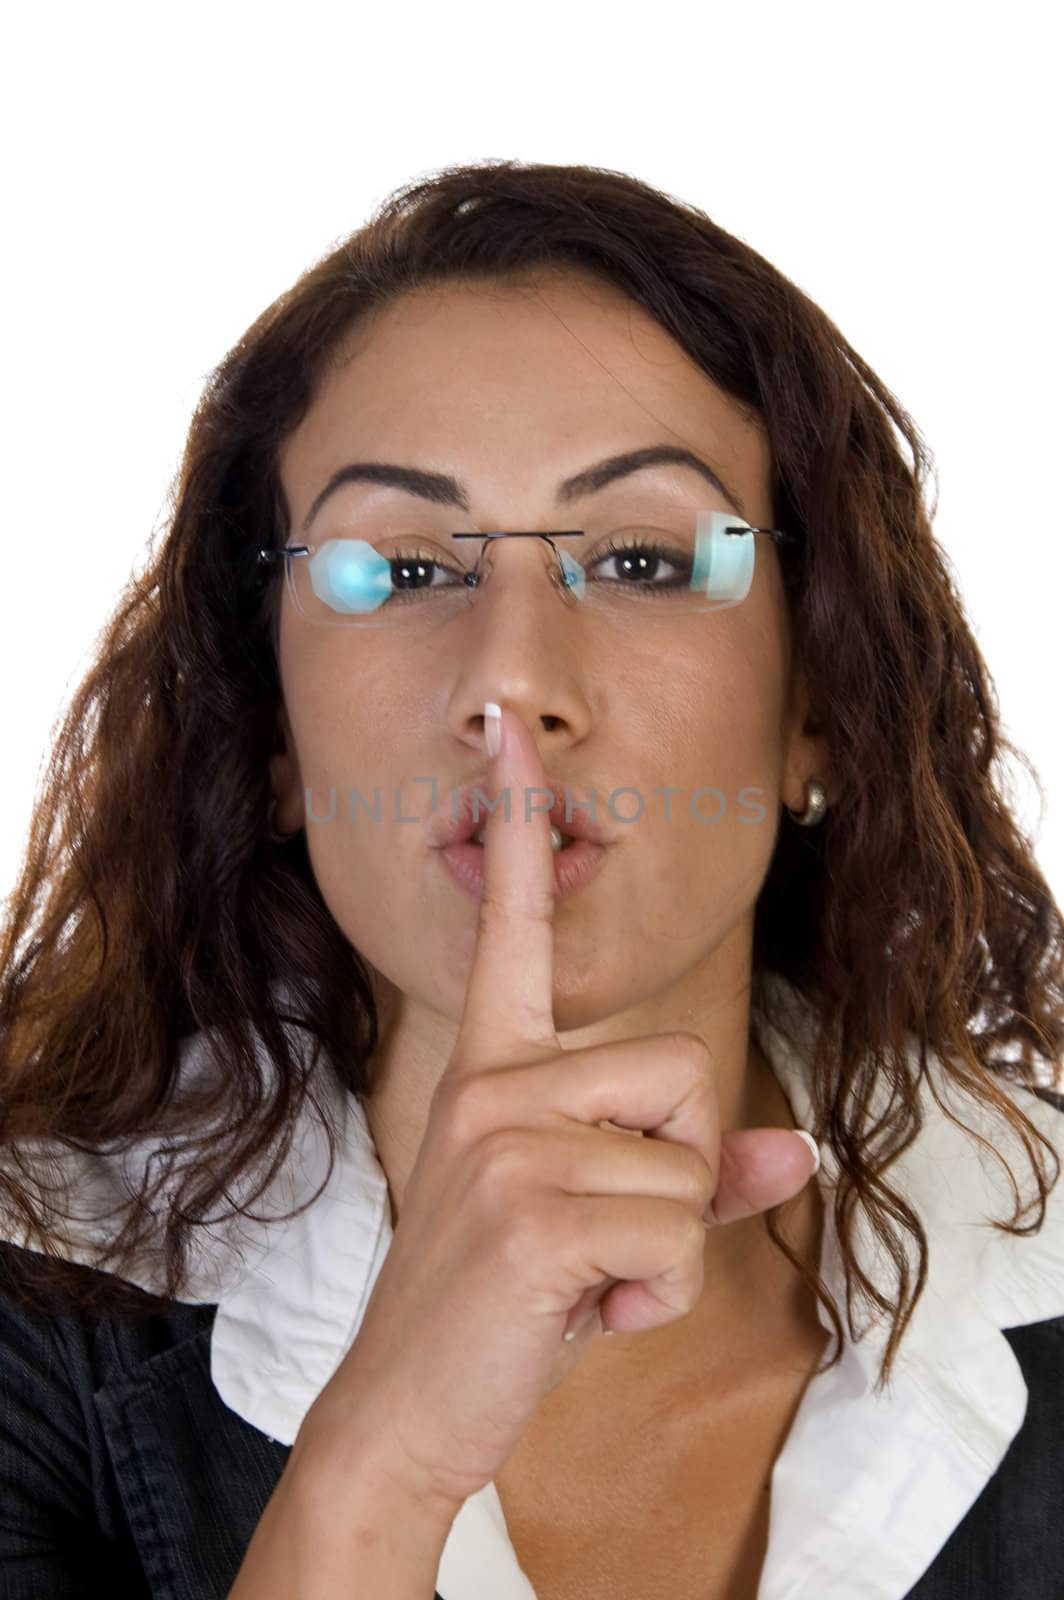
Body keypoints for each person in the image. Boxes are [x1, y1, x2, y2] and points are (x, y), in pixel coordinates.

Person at [0, 158, 1062, 1600]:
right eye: (402, 574)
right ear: (271, 735)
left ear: (819, 700)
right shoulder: (34, 1319)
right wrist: (385, 1456)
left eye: (639, 557)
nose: (511, 683)